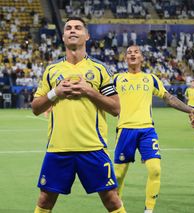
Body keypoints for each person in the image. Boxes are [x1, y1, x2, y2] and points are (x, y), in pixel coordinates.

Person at [31, 17, 126, 213]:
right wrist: (55, 92)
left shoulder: (100, 69)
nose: (72, 30)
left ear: (87, 36)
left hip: (92, 147)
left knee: (112, 199)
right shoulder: (52, 70)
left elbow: (116, 108)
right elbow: (36, 107)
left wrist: (88, 90)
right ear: (64, 36)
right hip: (58, 147)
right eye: (68, 28)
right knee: (45, 199)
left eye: (78, 27)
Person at [113, 45, 194, 213]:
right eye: (129, 52)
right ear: (125, 59)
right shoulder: (116, 79)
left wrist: (190, 109)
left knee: (155, 170)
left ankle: (149, 210)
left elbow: (168, 98)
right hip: (125, 130)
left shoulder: (151, 78)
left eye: (136, 52)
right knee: (118, 176)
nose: (132, 54)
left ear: (142, 58)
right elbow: (102, 98)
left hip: (147, 130)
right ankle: (118, 209)